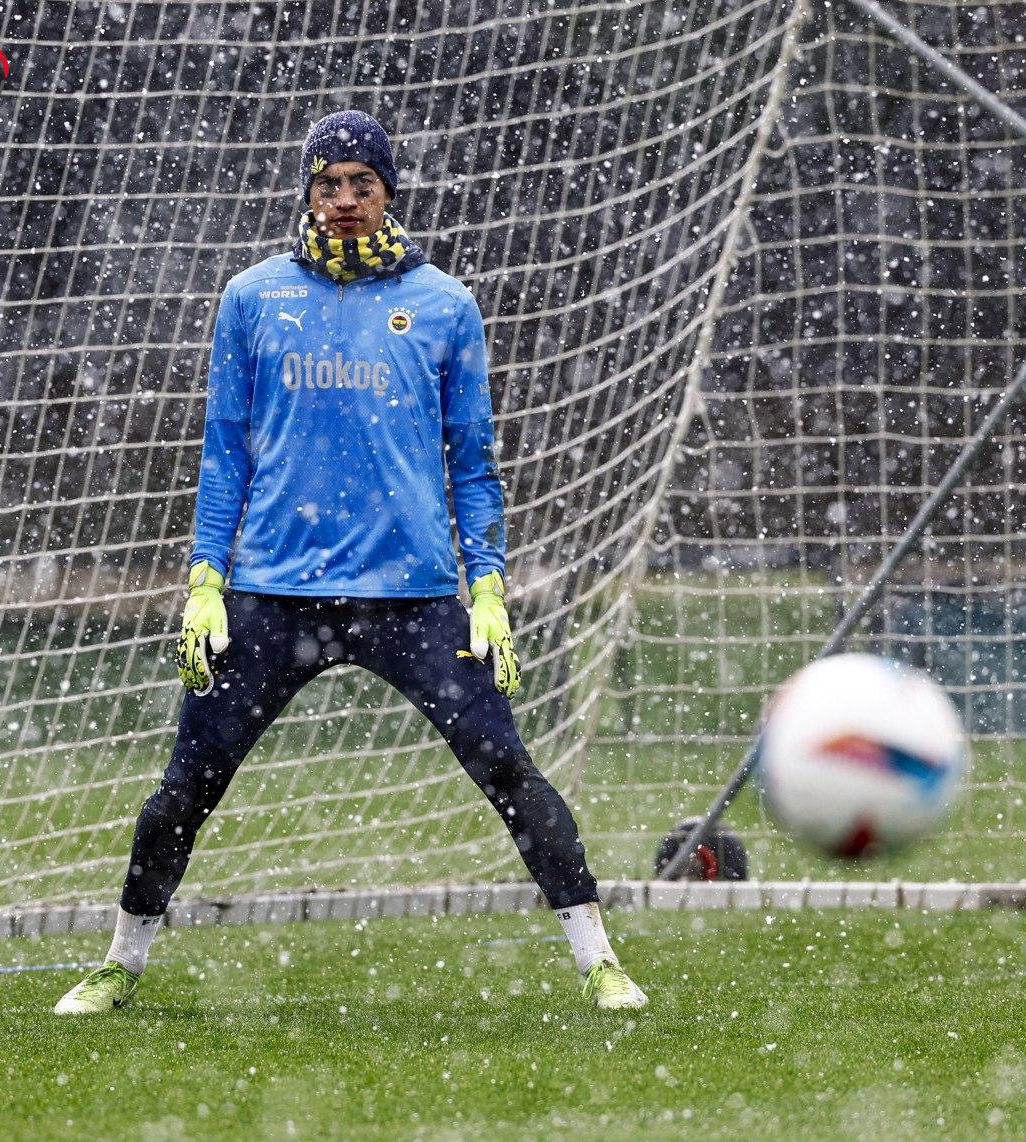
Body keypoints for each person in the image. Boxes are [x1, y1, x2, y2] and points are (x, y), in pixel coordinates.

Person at [54, 111, 646, 1014]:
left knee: (508, 770)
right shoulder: (253, 297)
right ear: (307, 192)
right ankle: (119, 963)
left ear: (388, 192)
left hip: (411, 596)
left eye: (360, 183)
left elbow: (473, 462)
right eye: (326, 183)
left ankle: (600, 961)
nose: (342, 199)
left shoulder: (444, 304)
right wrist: (205, 581)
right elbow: (225, 451)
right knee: (187, 786)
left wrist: (488, 585)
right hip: (272, 593)